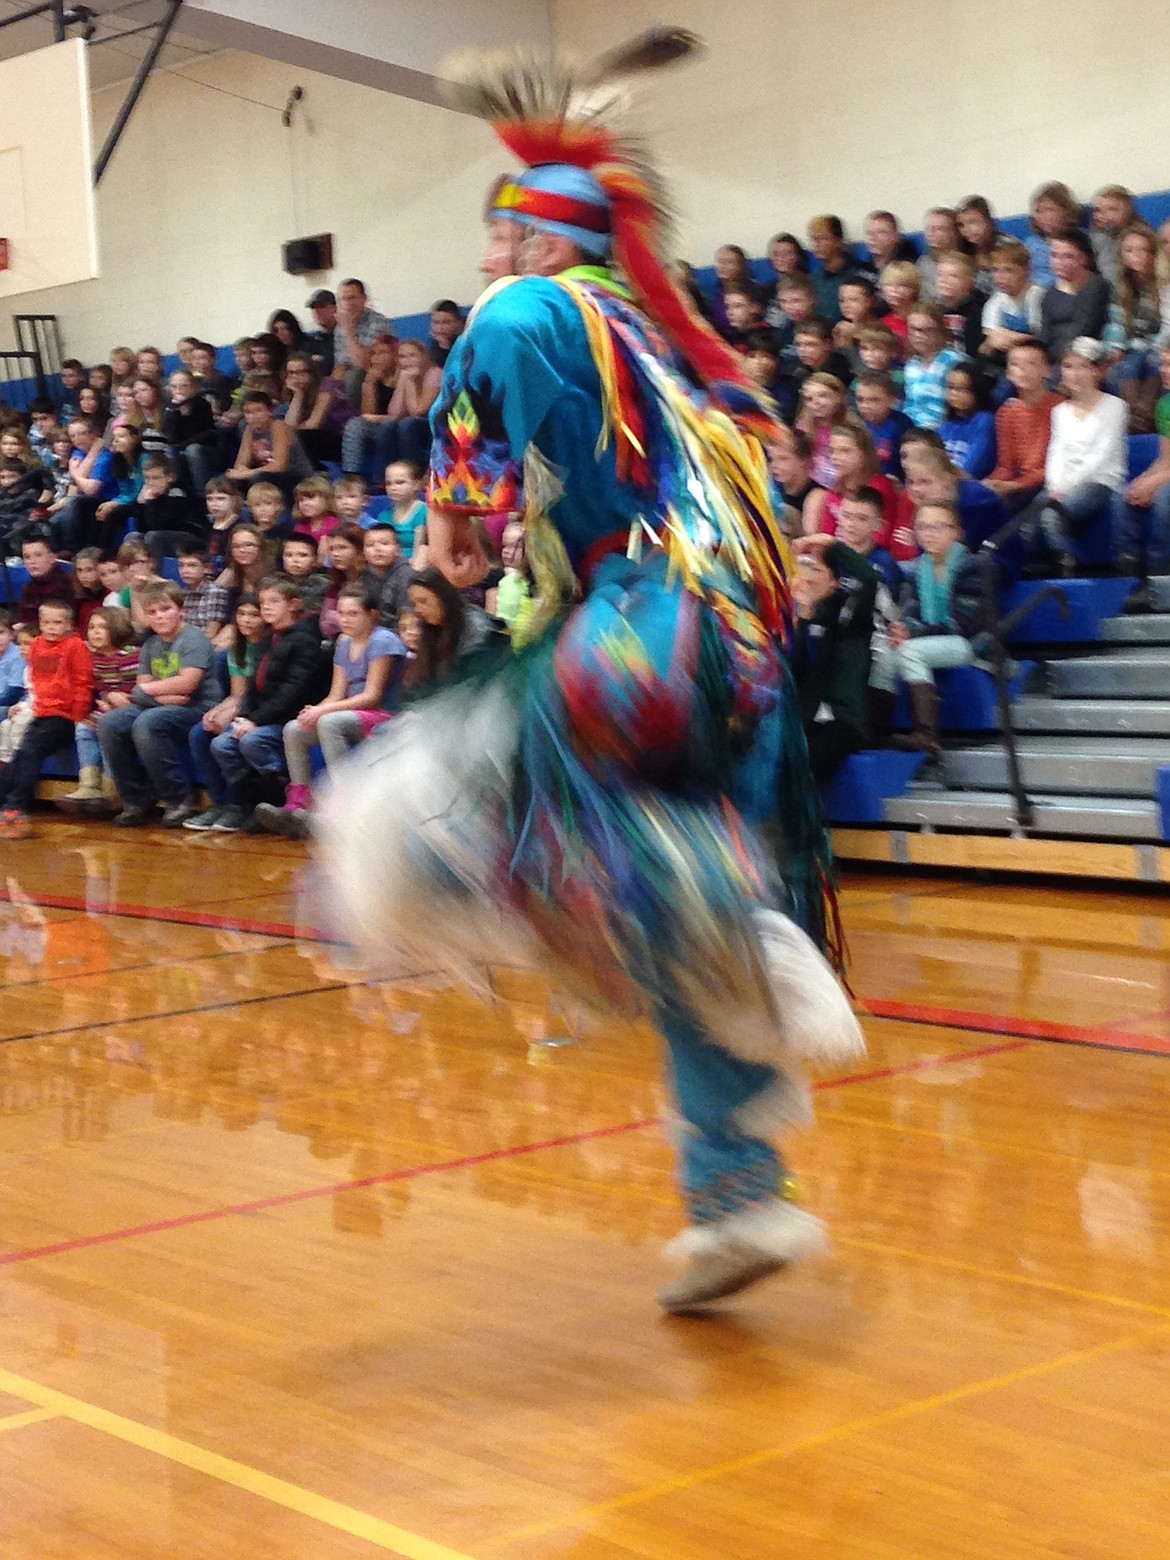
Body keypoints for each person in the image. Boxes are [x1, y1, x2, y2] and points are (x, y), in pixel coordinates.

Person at [320, 38, 861, 1313]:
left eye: (498, 242)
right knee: (675, 935)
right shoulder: (655, 350)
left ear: (547, 245)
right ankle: (739, 1197)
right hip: (719, 651)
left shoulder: (544, 310)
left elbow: (497, 351)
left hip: (647, 635)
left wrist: (452, 502)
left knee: (420, 817)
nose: (484, 269)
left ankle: (733, 923)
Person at [256, 582, 408, 838]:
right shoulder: (344, 643)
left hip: (383, 715)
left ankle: (342, 802)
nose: (345, 619)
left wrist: (325, 713)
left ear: (371, 615)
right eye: (342, 613)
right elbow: (336, 694)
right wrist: (314, 711)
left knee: (330, 723)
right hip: (351, 713)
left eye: (353, 614)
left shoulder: (383, 641)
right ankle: (298, 803)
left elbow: (372, 697)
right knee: (295, 727)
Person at [204, 575, 332, 825]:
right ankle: (250, 805)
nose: (267, 608)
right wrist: (245, 716)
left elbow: (293, 693)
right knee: (221, 744)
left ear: (294, 604)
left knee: (253, 740)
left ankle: (278, 797)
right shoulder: (268, 637)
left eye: (274, 601)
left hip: (290, 717)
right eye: (263, 603)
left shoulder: (306, 640)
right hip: (263, 716)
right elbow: (253, 684)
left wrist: (256, 721)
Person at [97, 581, 215, 827]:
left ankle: (180, 798)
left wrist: (148, 691)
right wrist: (157, 693)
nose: (159, 617)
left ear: (181, 611)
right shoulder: (151, 644)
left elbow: (188, 685)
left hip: (198, 709)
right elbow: (143, 685)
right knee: (110, 723)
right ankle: (137, 798)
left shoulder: (194, 638)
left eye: (165, 609)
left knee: (147, 723)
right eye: (152, 612)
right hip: (161, 705)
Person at [1024, 338, 1128, 573]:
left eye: (1083, 367)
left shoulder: (1115, 406)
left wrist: (1065, 488)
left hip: (1100, 481)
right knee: (1028, 521)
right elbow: (1056, 452)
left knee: (1051, 513)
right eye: (1069, 367)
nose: (1075, 374)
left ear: (1097, 370)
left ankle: (1070, 568)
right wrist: (1055, 485)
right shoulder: (1060, 411)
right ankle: (1038, 572)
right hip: (1062, 484)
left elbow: (1101, 455)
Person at [887, 502, 983, 757]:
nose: (930, 533)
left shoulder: (973, 566)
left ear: (957, 532)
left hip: (970, 641)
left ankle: (927, 734)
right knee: (885, 650)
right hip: (933, 639)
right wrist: (902, 628)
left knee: (909, 651)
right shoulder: (917, 568)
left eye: (939, 527)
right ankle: (874, 730)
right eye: (923, 527)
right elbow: (909, 611)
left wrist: (913, 633)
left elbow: (962, 623)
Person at [0, 600, 93, 839]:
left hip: (64, 716)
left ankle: (16, 805)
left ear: (68, 624)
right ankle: (6, 802)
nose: (51, 627)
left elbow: (83, 683)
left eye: (57, 623)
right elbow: (36, 683)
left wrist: (78, 715)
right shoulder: (38, 645)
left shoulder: (75, 646)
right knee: (20, 750)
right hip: (40, 711)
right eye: (46, 622)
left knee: (30, 749)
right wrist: (28, 706)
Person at [789, 539, 877, 783]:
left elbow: (868, 578)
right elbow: (794, 667)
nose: (806, 576)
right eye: (802, 568)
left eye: (815, 569)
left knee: (805, 762)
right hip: (800, 719)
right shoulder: (788, 619)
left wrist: (828, 542)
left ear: (835, 582)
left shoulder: (847, 616)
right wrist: (804, 619)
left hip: (841, 721)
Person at [184, 593, 267, 832]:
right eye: (241, 614)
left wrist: (231, 715)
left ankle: (236, 806)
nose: (247, 620)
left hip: (261, 710)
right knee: (200, 732)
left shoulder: (269, 646)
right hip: (244, 704)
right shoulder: (238, 649)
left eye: (254, 614)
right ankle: (217, 804)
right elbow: (238, 694)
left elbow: (254, 697)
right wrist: (217, 712)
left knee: (224, 739)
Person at [57, 605, 138, 814]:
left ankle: (111, 787)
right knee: (83, 727)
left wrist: (114, 700)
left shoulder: (131, 655)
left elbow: (138, 687)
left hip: (133, 707)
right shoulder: (93, 658)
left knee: (105, 728)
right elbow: (101, 686)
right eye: (92, 627)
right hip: (107, 707)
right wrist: (104, 698)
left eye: (103, 627)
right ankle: (89, 785)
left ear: (118, 628)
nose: (95, 632)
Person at [1112, 345, 1170, 601]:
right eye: (1163, 364)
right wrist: (1144, 481)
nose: (1163, 371)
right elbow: (1165, 458)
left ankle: (1161, 578)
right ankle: (1132, 579)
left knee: (1164, 499)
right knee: (1122, 496)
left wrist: (1157, 481)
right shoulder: (1165, 404)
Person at [985, 338, 1062, 516]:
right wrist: (991, 484)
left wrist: (1014, 485)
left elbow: (1055, 467)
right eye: (1015, 365)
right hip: (1019, 484)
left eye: (1031, 364)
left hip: (1048, 483)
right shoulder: (1007, 411)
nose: (1023, 370)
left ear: (1047, 370)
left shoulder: (1060, 408)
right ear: (1009, 372)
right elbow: (1006, 466)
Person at [1103, 225, 1164, 429]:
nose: (1136, 256)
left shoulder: (1163, 283)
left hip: (1158, 346)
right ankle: (1139, 416)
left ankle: (1141, 413)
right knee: (1125, 366)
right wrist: (1115, 347)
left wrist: (1152, 347)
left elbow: (1166, 326)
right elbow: (1117, 323)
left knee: (1153, 361)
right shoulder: (1122, 287)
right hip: (1133, 348)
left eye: (1143, 250)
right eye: (1129, 250)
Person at [225, 391, 314, 502]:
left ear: (269, 411)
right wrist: (240, 472)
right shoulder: (249, 430)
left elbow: (279, 466)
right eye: (248, 412)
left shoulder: (278, 426)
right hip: (267, 475)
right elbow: (240, 463)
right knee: (228, 479)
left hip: (296, 477)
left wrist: (247, 473)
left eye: (258, 410)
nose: (253, 416)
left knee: (259, 478)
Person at [1039, 228, 1110, 368]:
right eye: (1054, 255)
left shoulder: (1095, 286)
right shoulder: (1050, 293)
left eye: (1068, 256)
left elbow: (1084, 329)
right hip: (1054, 356)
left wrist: (1055, 358)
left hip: (1084, 355)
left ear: (1084, 258)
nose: (1059, 262)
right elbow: (1045, 334)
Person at [980, 240, 1045, 381]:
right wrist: (993, 341)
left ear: (1026, 271)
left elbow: (1041, 339)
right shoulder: (996, 300)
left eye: (1008, 270)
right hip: (1004, 361)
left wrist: (1008, 336)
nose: (1000, 277)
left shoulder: (1036, 296)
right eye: (996, 270)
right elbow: (989, 343)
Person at [378, 339, 443, 472]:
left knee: (408, 424)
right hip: (414, 424)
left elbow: (418, 411)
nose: (407, 360)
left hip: (434, 424)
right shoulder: (405, 376)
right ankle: (387, 476)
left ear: (424, 356)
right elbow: (394, 414)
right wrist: (403, 381)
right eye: (402, 357)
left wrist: (409, 382)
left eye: (412, 355)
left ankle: (415, 473)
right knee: (386, 426)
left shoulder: (435, 373)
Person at [282, 352, 356, 467]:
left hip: (343, 437)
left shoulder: (327, 385)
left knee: (301, 436)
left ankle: (317, 473)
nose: (296, 377)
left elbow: (314, 424)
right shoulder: (293, 392)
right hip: (317, 439)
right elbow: (289, 425)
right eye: (292, 373)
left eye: (302, 372)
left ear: (312, 373)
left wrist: (290, 432)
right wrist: (298, 394)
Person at [340, 334, 399, 475]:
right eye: (373, 354)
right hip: (378, 426)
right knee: (355, 425)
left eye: (383, 353)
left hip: (397, 426)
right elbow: (367, 414)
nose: (376, 358)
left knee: (385, 427)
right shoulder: (372, 378)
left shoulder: (403, 376)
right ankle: (351, 475)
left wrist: (378, 419)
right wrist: (369, 384)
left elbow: (403, 414)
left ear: (395, 355)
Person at [902, 304, 964, 429]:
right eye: (914, 329)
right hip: (911, 431)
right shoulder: (911, 365)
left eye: (927, 330)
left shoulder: (953, 361)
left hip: (941, 430)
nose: (919, 335)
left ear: (940, 330)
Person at [331, 278, 390, 402]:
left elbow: (363, 364)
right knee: (327, 383)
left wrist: (349, 330)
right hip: (351, 377)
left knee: (354, 376)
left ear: (363, 299)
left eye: (352, 298)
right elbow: (341, 364)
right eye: (343, 299)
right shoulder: (340, 326)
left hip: (379, 378)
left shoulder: (377, 322)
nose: (347, 303)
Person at [163, 368, 220, 493]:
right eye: (174, 387)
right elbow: (172, 439)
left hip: (206, 451)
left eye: (184, 386)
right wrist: (175, 414)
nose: (178, 391)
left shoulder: (202, 404)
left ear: (193, 387)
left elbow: (207, 434)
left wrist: (187, 415)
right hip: (180, 448)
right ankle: (178, 493)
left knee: (193, 450)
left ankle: (202, 494)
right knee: (168, 452)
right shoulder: (170, 409)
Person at [939, 362, 996, 480]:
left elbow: (973, 468)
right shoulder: (946, 426)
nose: (954, 394)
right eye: (951, 387)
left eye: (962, 389)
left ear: (976, 391)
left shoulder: (985, 421)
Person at [806, 214, 864, 324]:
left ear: (838, 240)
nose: (816, 244)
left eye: (822, 238)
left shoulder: (860, 273)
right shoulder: (813, 280)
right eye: (814, 239)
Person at [854, 373, 913, 479]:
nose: (865, 406)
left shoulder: (902, 426)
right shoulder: (857, 425)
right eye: (860, 399)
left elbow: (912, 464)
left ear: (891, 401)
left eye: (874, 400)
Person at [1026, 181, 1081, 290]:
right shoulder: (1030, 243)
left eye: (1049, 210)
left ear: (1066, 212)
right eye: (1038, 211)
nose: (1043, 216)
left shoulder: (1079, 240)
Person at [17, 531, 77, 628]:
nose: (32, 562)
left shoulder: (68, 584)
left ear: (53, 557)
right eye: (27, 557)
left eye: (38, 555)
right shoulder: (28, 588)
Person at [934, 252, 989, 359]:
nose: (944, 280)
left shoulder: (982, 309)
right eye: (940, 274)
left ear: (970, 281)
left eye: (953, 276)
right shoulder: (935, 309)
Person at [318, 522, 367, 638]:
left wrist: (334, 617)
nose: (335, 554)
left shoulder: (371, 579)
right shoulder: (335, 580)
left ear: (359, 549)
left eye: (342, 548)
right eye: (331, 549)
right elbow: (325, 624)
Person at [362, 522, 413, 629]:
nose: (377, 549)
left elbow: (407, 618)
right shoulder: (363, 575)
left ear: (398, 549)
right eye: (370, 545)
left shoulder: (407, 575)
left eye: (384, 544)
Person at [1090, 185, 1141, 287]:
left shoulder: (1140, 236)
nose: (1101, 215)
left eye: (1111, 209)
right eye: (1097, 210)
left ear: (1127, 211)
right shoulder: (1096, 236)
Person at [177, 544, 228, 643]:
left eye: (192, 565)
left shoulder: (215, 592)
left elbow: (211, 633)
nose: (185, 570)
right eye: (181, 565)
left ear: (207, 568)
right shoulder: (181, 593)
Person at [382, 459, 427, 556]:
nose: (393, 488)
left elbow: (421, 548)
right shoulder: (383, 516)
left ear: (416, 485)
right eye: (388, 483)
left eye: (400, 482)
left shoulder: (425, 512)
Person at [955, 196, 1001, 290]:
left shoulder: (1006, 246)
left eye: (972, 222)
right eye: (961, 225)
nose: (966, 230)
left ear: (989, 222)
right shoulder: (964, 251)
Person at [917, 208, 962, 302]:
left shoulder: (966, 262)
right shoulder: (923, 264)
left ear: (954, 232)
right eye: (928, 228)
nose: (931, 233)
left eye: (939, 228)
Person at [279, 530, 328, 614]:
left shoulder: (324, 586)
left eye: (303, 555)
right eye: (289, 555)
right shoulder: (275, 584)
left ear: (315, 559)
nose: (295, 560)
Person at [876, 260, 919, 351]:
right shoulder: (883, 322)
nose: (894, 290)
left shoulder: (922, 318)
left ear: (914, 288)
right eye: (889, 284)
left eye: (902, 285)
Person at [428, 300, 465, 367]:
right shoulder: (435, 343)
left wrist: (445, 346)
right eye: (436, 322)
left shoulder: (467, 340)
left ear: (458, 323)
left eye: (446, 322)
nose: (440, 328)